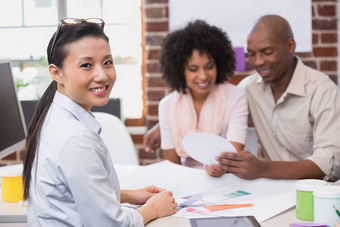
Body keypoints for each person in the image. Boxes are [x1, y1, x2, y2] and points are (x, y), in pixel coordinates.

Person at [22, 18, 177, 226]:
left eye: (107, 62)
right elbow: (109, 224)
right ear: (56, 73)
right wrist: (153, 209)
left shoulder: (53, 114)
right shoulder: (76, 138)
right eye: (86, 65)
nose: (102, 75)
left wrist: (129, 195)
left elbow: (70, 192)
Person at [217, 14, 340, 181]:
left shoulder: (323, 91)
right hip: (274, 193)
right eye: (251, 54)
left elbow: (330, 162)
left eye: (267, 52)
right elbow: (223, 128)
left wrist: (262, 168)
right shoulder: (248, 89)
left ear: (290, 46)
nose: (258, 62)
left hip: (317, 193)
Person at [156, 20, 249, 177]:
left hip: (227, 180)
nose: (203, 76)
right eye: (193, 69)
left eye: (209, 66)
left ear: (219, 64)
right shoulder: (167, 105)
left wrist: (220, 167)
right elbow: (173, 165)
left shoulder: (236, 97)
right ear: (180, 69)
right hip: (185, 181)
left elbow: (234, 154)